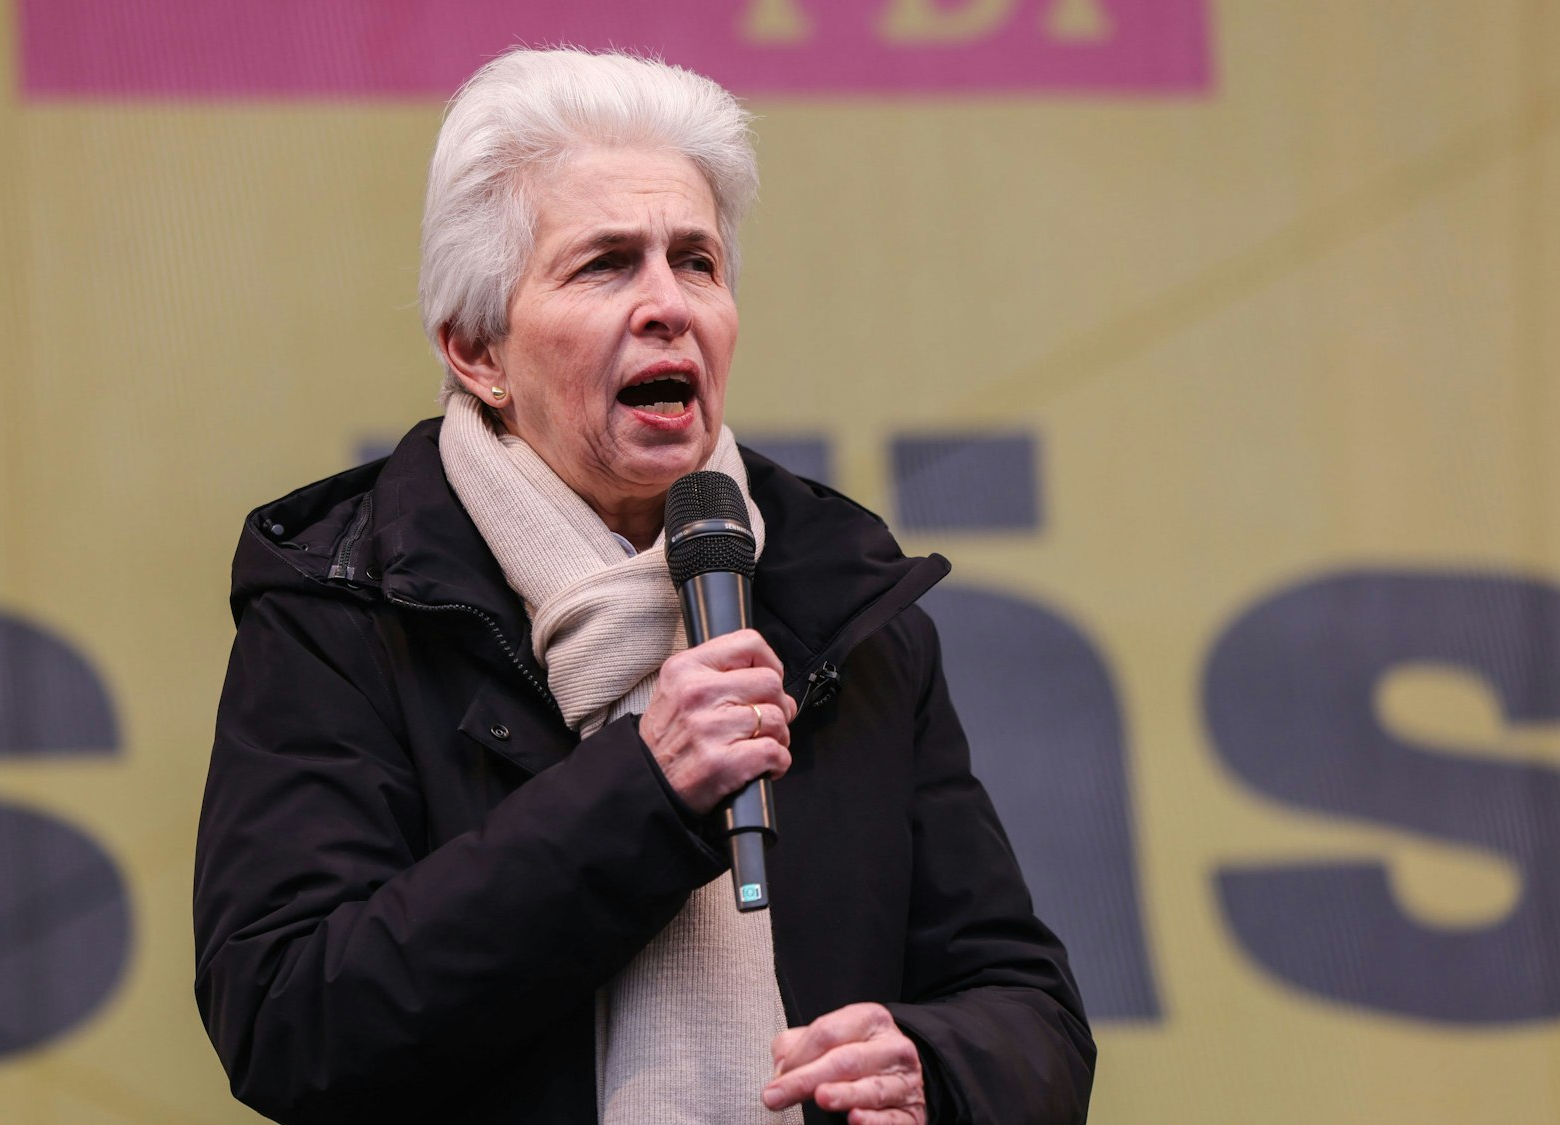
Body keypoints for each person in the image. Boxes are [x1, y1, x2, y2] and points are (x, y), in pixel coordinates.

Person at [194, 47, 1094, 1125]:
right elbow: (291, 1022)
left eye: (696, 261)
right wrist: (645, 791)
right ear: (476, 349)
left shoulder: (834, 599)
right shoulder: (346, 604)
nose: (668, 304)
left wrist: (932, 1067)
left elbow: (1028, 1013)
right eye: (606, 264)